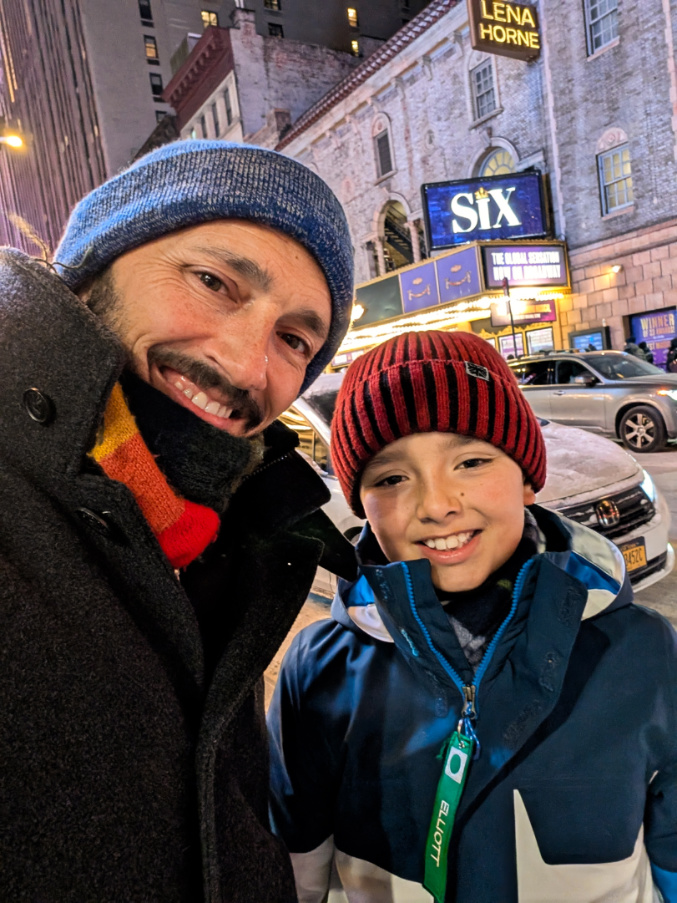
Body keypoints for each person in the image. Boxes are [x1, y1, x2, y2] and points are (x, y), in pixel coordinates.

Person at [0, 139, 356, 902]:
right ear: (95, 268)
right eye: (214, 282)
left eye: (294, 338)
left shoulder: (227, 543)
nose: (247, 364)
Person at [268, 330, 677, 903]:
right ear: (363, 507)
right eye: (391, 478)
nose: (437, 505)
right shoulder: (320, 670)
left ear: (528, 476)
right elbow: (295, 864)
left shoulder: (642, 649)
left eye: (472, 461)